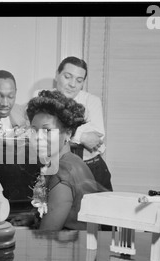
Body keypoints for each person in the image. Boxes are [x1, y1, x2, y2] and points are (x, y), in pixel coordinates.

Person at [12, 90, 104, 231]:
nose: (37, 137)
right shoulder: (72, 160)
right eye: (34, 130)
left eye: (47, 131)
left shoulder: (62, 172)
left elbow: (46, 236)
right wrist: (34, 218)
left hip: (69, 249)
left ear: (67, 133)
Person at [37, 56, 113, 191]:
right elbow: (43, 135)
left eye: (79, 80)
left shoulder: (92, 101)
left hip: (92, 167)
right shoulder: (43, 100)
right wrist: (82, 137)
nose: (72, 84)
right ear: (57, 75)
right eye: (67, 77)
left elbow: (96, 139)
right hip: (55, 167)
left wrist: (60, 131)